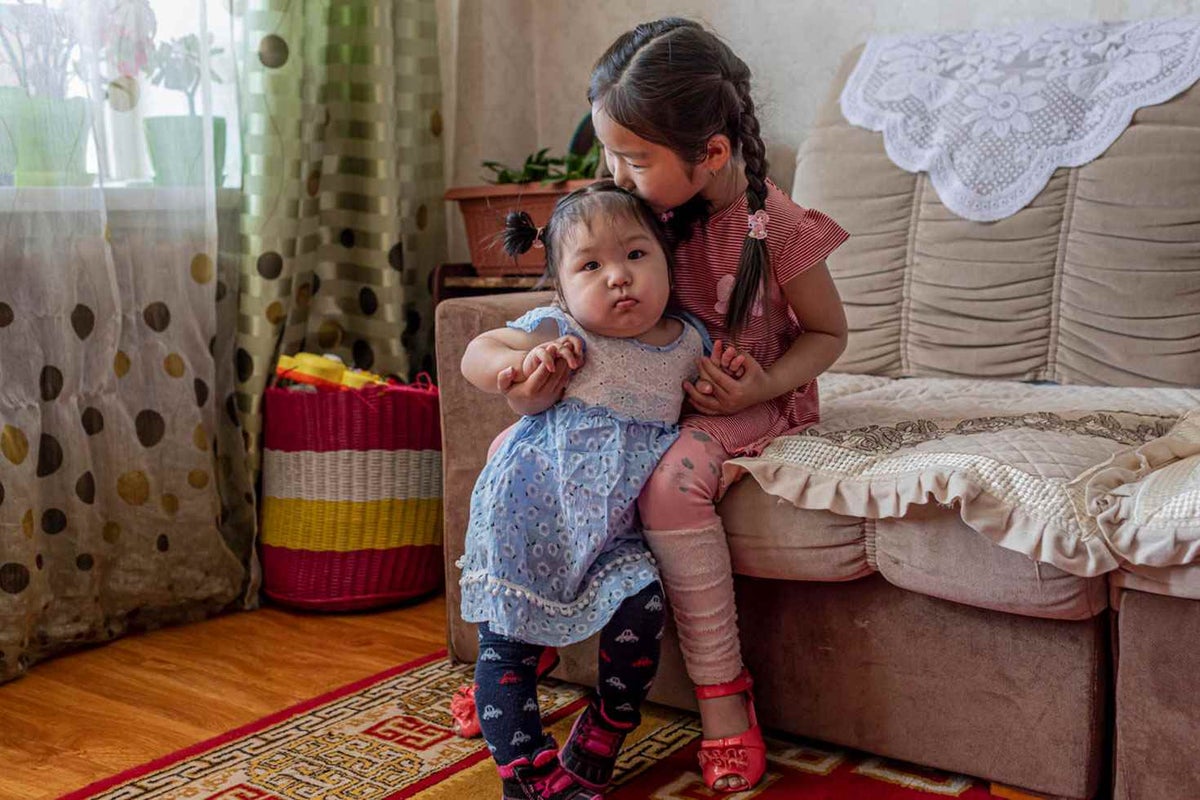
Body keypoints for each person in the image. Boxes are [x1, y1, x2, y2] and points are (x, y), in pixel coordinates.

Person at [586, 17, 852, 793]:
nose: (614, 173)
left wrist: (761, 386)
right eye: (609, 153)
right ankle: (523, 643)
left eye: (633, 159)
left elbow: (829, 335)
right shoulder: (642, 212)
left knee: (670, 482)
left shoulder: (779, 227)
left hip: (757, 401)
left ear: (711, 154)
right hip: (656, 393)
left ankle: (724, 698)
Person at [456, 180, 712, 799]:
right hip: (526, 518)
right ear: (563, 289)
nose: (618, 277)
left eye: (635, 255)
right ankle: (527, 772)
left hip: (613, 527)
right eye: (591, 266)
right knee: (508, 647)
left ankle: (607, 724)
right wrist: (519, 367)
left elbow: (711, 393)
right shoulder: (562, 331)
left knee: (643, 609)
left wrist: (731, 379)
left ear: (666, 262)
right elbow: (478, 351)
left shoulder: (689, 340)